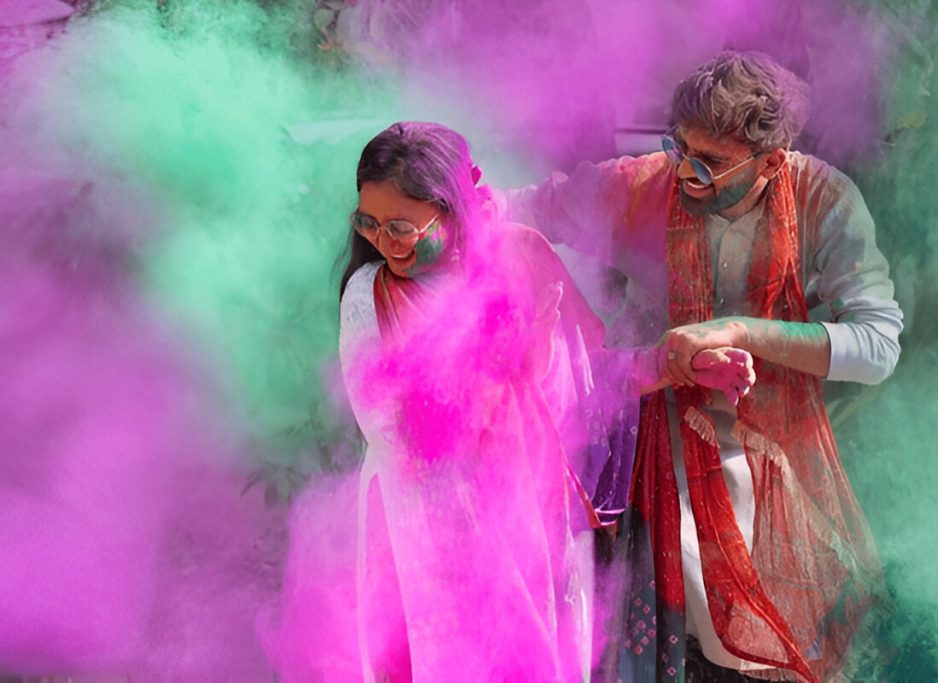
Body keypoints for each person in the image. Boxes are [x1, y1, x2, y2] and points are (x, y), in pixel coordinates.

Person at [291, 121, 756, 682]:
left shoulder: (522, 259)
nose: (385, 242)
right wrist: (514, 367)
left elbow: (587, 382)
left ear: (456, 209)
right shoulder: (370, 295)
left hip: (528, 521)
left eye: (403, 227)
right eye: (369, 222)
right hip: (424, 534)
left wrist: (673, 365)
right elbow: (394, 431)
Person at [502, 52, 903, 682]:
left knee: (773, 623)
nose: (686, 171)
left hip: (768, 436)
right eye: (679, 146)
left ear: (772, 161)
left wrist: (743, 332)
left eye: (710, 161)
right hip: (651, 428)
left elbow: (878, 347)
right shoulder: (643, 183)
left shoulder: (822, 199)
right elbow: (522, 208)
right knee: (662, 616)